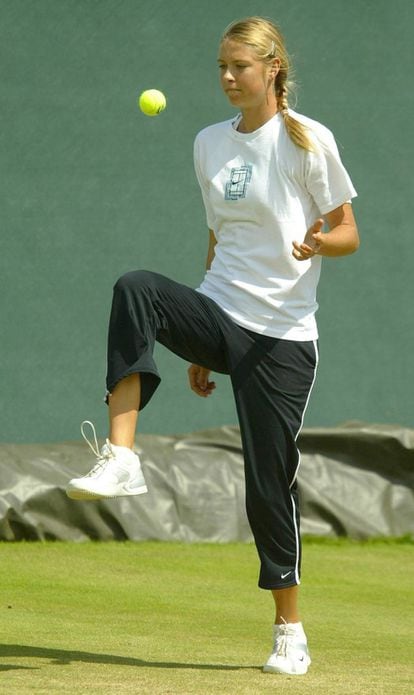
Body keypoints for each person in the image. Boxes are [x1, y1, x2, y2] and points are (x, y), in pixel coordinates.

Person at [66, 16, 359, 676]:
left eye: (239, 67)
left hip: (282, 338)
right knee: (135, 287)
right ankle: (122, 455)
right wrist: (200, 336)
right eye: (221, 67)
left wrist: (317, 242)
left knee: (267, 482)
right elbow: (219, 238)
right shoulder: (207, 144)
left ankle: (290, 629)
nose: (227, 78)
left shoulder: (309, 143)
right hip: (223, 312)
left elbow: (348, 231)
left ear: (271, 70)